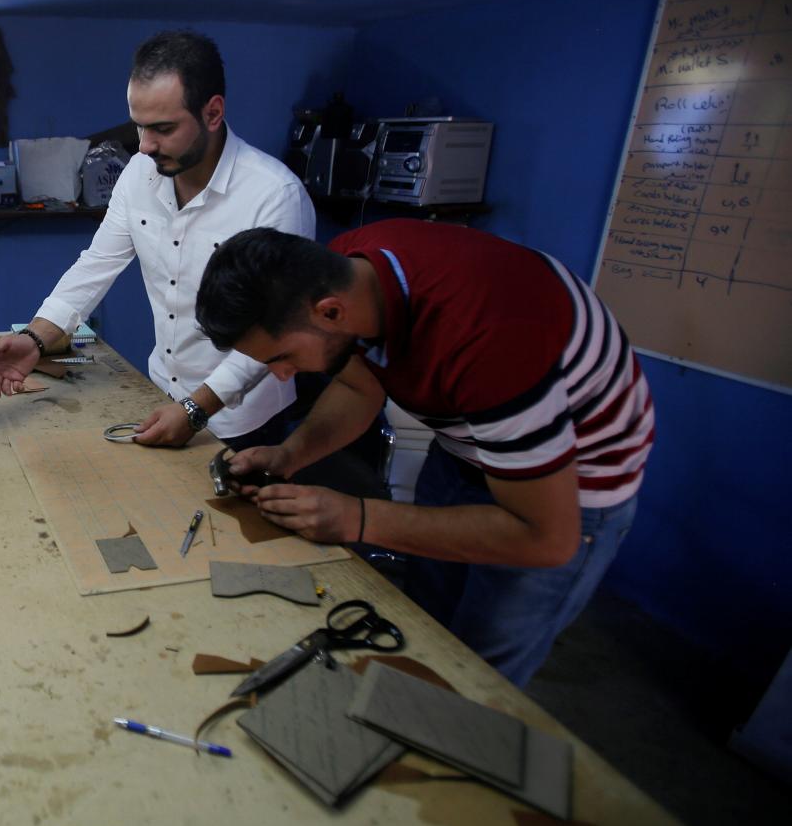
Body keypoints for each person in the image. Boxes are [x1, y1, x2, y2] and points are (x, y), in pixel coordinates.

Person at [194, 221, 655, 686]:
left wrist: (357, 519)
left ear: (331, 313)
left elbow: (546, 538)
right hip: (468, 449)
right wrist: (288, 455)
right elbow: (359, 385)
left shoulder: (488, 341)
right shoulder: (350, 270)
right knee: (427, 632)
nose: (280, 375)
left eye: (282, 357)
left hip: (572, 489)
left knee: (476, 673)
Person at [0, 30, 315, 449]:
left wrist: (197, 409)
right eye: (139, 127)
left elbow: (275, 330)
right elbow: (96, 264)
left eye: (162, 129)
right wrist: (35, 337)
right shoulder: (140, 173)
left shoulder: (274, 196)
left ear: (213, 113)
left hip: (244, 422)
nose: (144, 146)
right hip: (162, 396)